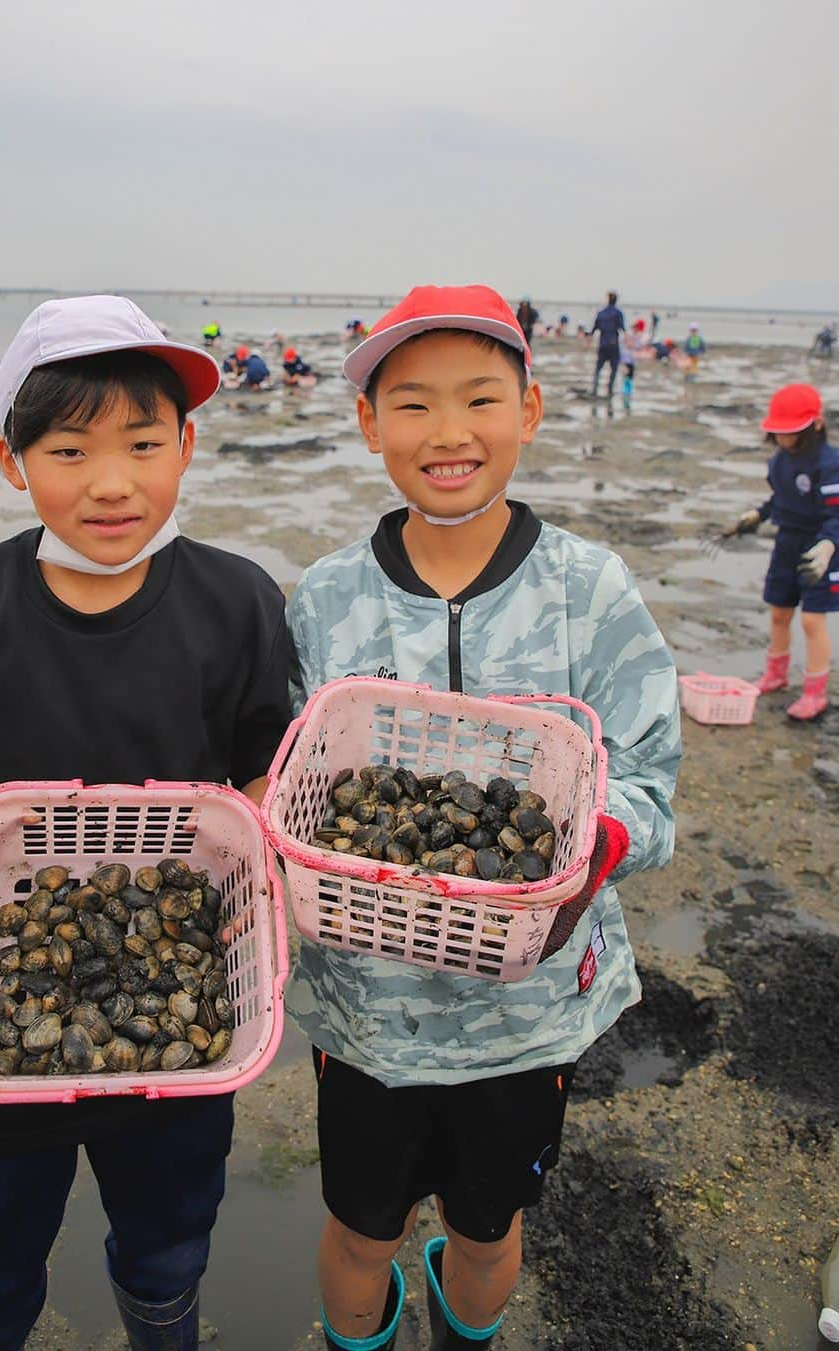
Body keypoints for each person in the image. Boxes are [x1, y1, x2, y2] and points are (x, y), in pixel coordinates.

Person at [0, 295, 292, 1350]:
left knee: (169, 1237)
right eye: (70, 448)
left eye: (142, 442)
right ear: (13, 462)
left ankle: (161, 1320)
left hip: (183, 1027)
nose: (112, 480)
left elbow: (270, 776)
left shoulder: (236, 602)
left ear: (187, 446)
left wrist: (264, 829)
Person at [286, 283, 680, 1351]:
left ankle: (468, 1336)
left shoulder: (588, 592)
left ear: (532, 409)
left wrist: (601, 841)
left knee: (488, 1221)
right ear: (370, 424)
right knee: (360, 1227)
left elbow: (649, 787)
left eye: (480, 400)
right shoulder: (322, 602)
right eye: (411, 404)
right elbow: (283, 788)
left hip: (530, 1012)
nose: (448, 433)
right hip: (365, 1014)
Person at [727, 383, 838, 720]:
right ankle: (776, 674)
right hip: (787, 542)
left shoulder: (829, 464)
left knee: (812, 619)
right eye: (779, 433)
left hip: (823, 545)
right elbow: (781, 498)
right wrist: (759, 514)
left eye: (791, 433)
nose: (785, 440)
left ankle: (815, 692)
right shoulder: (779, 461)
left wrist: (827, 546)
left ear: (814, 426)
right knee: (779, 612)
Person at [589, 290, 625, 398]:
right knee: (614, 368)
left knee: (598, 367)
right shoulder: (618, 313)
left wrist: (589, 339)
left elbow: (594, 328)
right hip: (613, 343)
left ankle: (594, 388)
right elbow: (622, 328)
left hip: (603, 343)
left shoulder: (601, 313)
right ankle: (609, 389)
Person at [620, 318, 647, 402]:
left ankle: (627, 391)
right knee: (627, 374)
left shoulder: (637, 334)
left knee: (630, 375)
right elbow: (625, 343)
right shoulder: (629, 333)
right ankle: (625, 391)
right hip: (626, 358)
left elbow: (639, 346)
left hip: (631, 358)